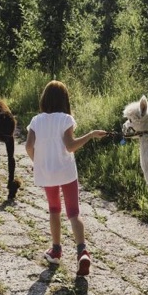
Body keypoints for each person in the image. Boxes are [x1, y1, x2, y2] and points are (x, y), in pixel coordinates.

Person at [25, 80, 107, 276]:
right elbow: (70, 146)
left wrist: (39, 162)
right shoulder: (66, 119)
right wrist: (91, 134)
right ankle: (82, 252)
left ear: (44, 99)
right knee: (73, 213)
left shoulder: (36, 121)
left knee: (54, 210)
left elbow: (28, 147)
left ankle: (55, 251)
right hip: (67, 172)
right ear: (64, 100)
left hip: (48, 173)